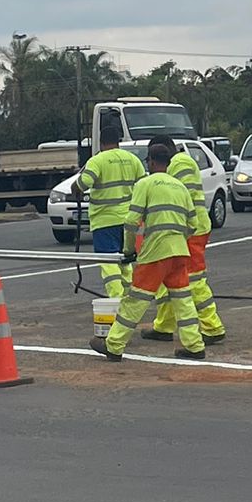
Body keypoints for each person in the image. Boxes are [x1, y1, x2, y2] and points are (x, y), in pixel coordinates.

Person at [90, 143, 205, 362]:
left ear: (151, 162)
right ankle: (195, 345)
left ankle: (113, 345)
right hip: (179, 252)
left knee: (135, 300)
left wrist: (129, 249)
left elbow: (131, 222)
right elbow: (193, 224)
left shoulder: (145, 184)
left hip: (156, 252)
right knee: (183, 300)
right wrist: (178, 240)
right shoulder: (180, 187)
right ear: (168, 162)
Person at [144, 137, 225, 344]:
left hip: (191, 230)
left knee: (193, 279)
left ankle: (212, 327)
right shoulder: (181, 163)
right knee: (170, 278)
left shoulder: (181, 164)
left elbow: (179, 197)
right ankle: (164, 325)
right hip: (185, 229)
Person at [73, 118, 144, 298]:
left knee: (108, 261)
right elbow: (143, 184)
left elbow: (84, 183)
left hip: (105, 221)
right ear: (118, 141)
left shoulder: (97, 161)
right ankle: (128, 297)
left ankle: (116, 298)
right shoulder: (132, 159)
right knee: (125, 260)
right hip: (128, 220)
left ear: (101, 143)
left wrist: (76, 187)